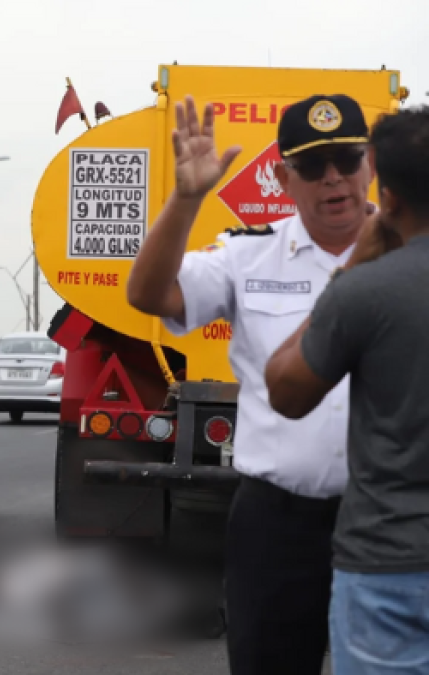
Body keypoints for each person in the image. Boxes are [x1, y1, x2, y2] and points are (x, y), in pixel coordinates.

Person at [125, 93, 374, 675]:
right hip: (278, 520)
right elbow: (150, 294)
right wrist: (187, 198)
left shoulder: (410, 254)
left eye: (346, 159)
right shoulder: (249, 255)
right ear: (283, 178)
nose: (333, 178)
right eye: (312, 165)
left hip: (387, 518)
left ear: (370, 164)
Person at [264, 106, 429, 674]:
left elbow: (286, 391)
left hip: (387, 565)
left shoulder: (365, 291)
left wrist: (349, 273)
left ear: (388, 195)